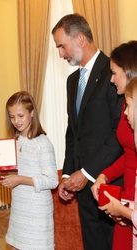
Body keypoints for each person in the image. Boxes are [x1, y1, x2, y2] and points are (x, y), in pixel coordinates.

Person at [52, 14, 123, 250]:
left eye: (62, 46)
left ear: (80, 38)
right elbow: (73, 133)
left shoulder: (114, 72)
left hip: (110, 181)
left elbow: (119, 134)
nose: (60, 54)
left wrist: (88, 173)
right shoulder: (72, 81)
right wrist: (67, 174)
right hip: (82, 187)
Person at [91, 41, 137, 250]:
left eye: (114, 73)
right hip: (128, 195)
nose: (111, 79)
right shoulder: (126, 105)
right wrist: (105, 175)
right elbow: (130, 154)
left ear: (129, 72)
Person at [0, 91, 58, 250]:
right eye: (12, 117)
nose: (16, 121)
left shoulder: (43, 143)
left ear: (32, 113)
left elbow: (52, 180)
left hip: (37, 209)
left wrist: (21, 179)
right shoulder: (16, 141)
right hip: (19, 205)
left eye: (20, 116)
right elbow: (18, 169)